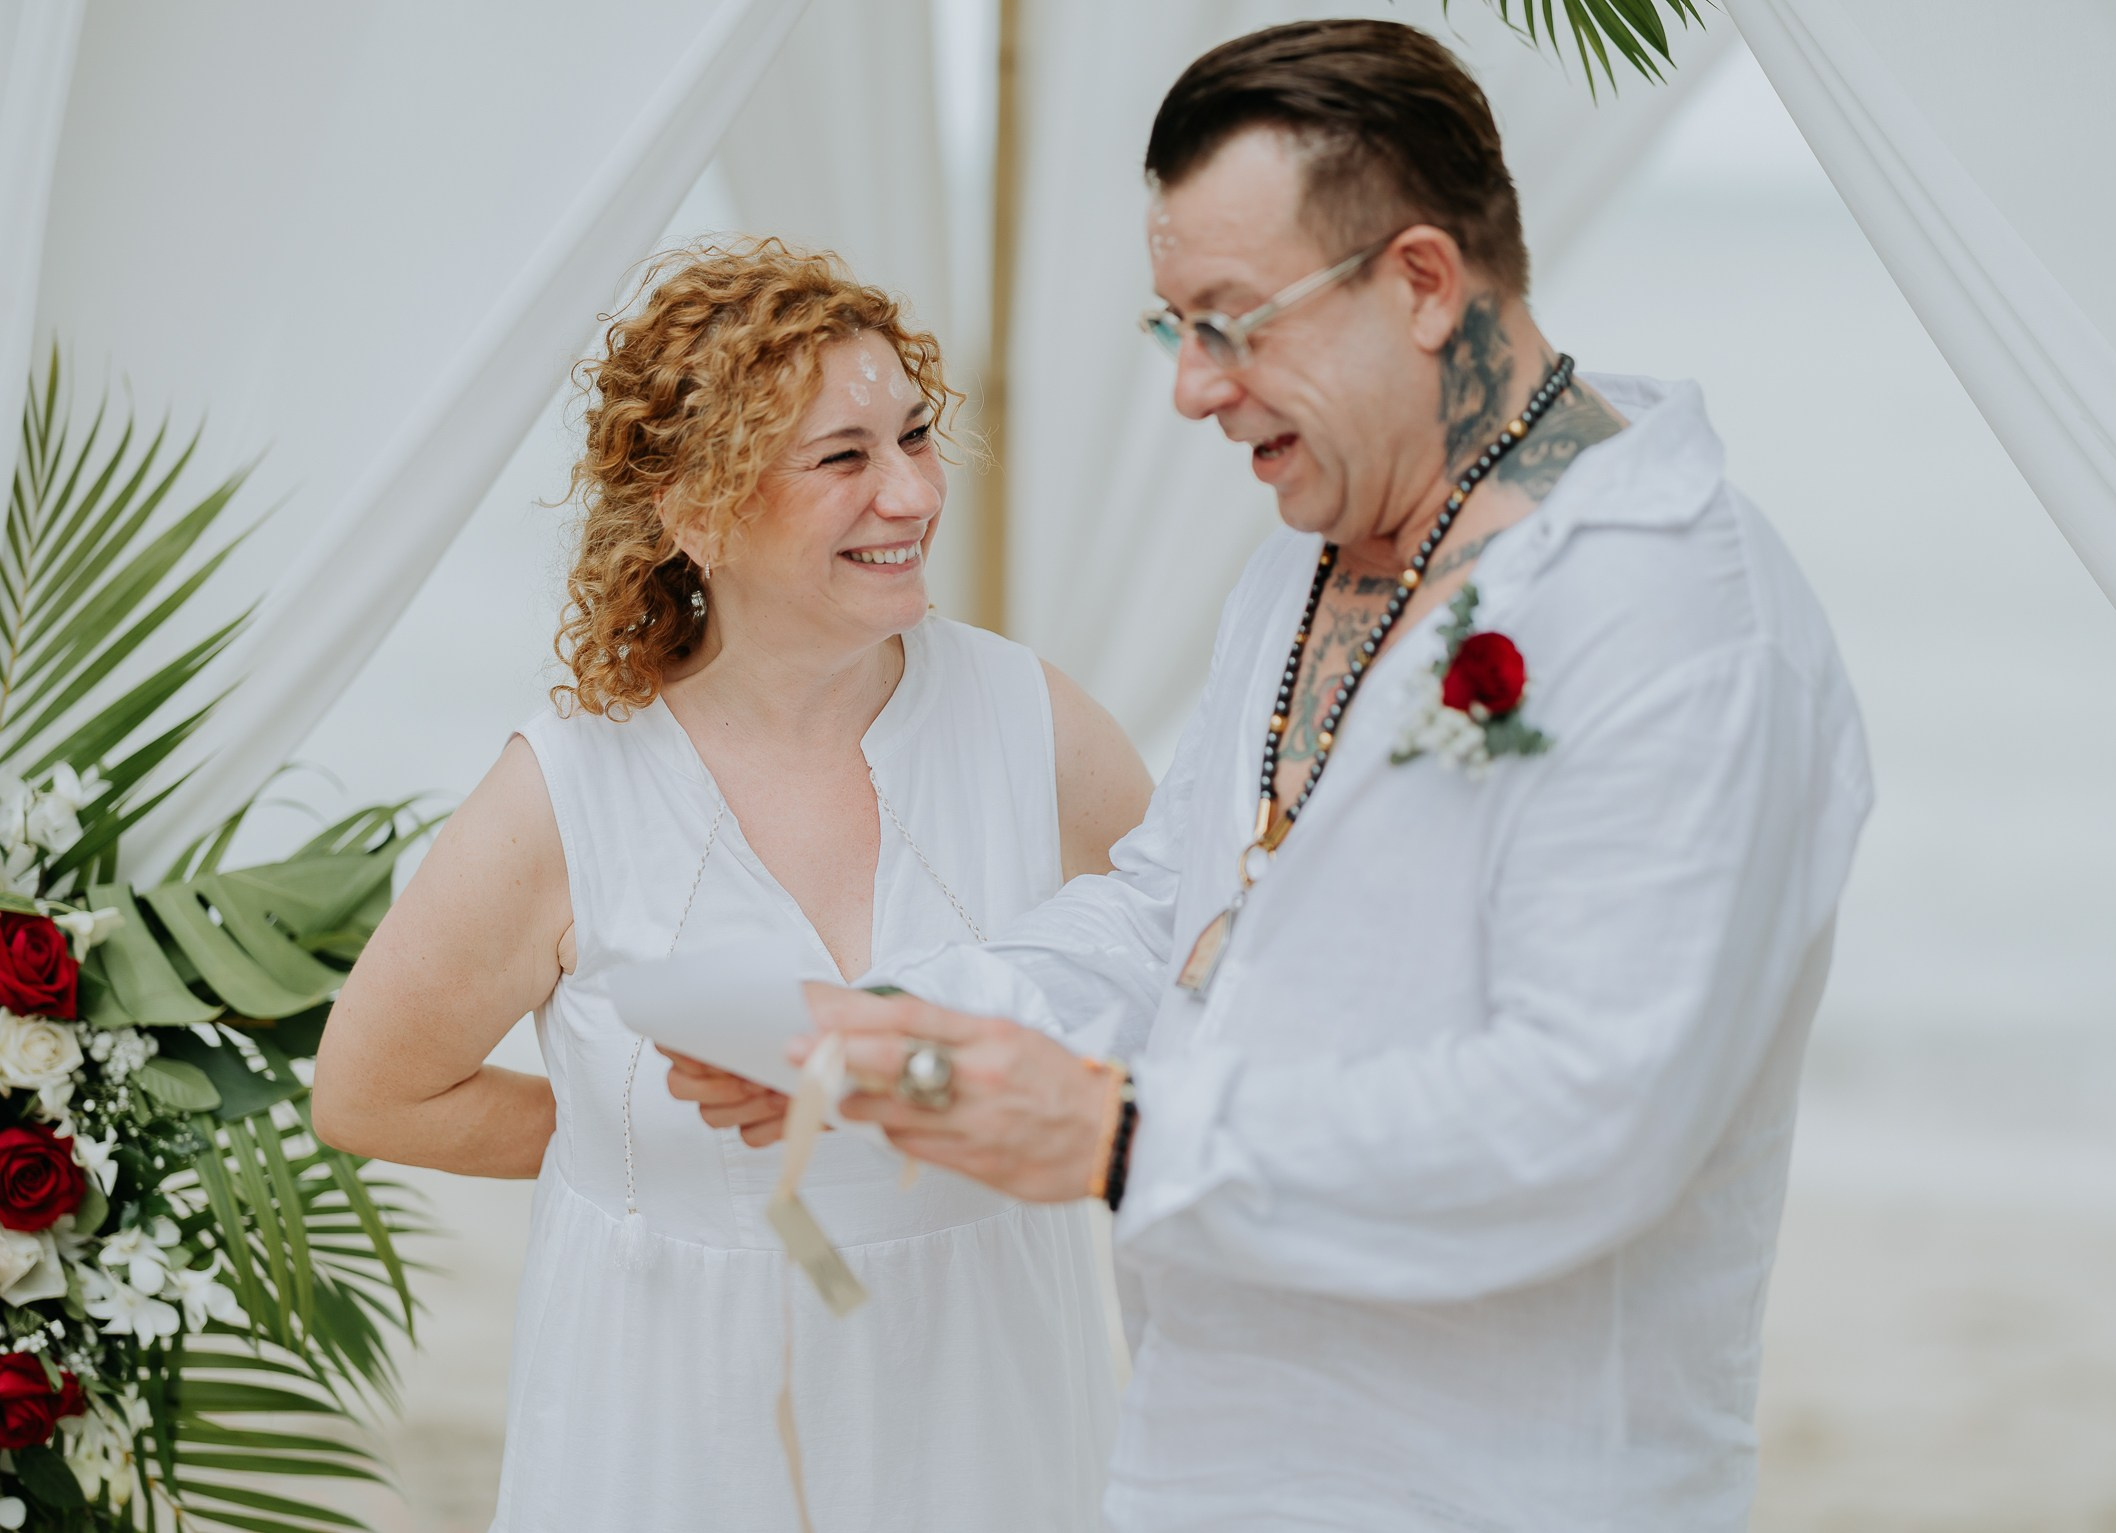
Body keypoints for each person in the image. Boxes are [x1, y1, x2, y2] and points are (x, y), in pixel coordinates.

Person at [672, 20, 1873, 1533]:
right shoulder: (1301, 567)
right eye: (1175, 328)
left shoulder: (1685, 622)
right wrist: (901, 1027)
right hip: (1207, 1463)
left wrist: (1119, 1136)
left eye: (1234, 323)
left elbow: (1591, 1113)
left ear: (1422, 282)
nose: (1193, 390)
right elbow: (1174, 917)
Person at [311, 240, 1147, 1531]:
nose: (913, 492)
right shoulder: (570, 790)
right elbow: (371, 1089)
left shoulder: (1029, 719)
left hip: (990, 1398)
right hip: (677, 1426)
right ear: (697, 515)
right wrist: (639, 1146)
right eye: (843, 458)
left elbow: (1200, 953)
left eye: (915, 434)